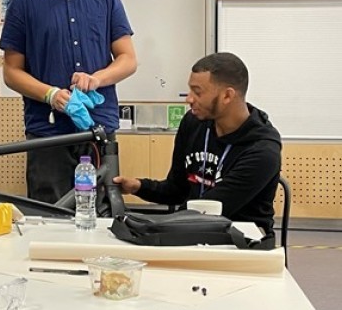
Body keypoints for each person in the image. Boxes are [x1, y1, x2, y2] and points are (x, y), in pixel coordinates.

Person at [0, 0, 137, 204]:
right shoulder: (23, 4)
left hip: (98, 128)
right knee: (50, 214)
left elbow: (128, 59)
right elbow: (11, 72)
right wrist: (49, 94)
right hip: (48, 132)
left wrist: (97, 78)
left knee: (101, 213)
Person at [113, 52, 282, 236]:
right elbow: (177, 190)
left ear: (227, 95)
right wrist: (137, 186)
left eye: (197, 92)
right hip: (193, 231)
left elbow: (212, 211)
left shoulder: (263, 150)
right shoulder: (193, 123)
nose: (189, 98)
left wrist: (147, 225)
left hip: (242, 244)